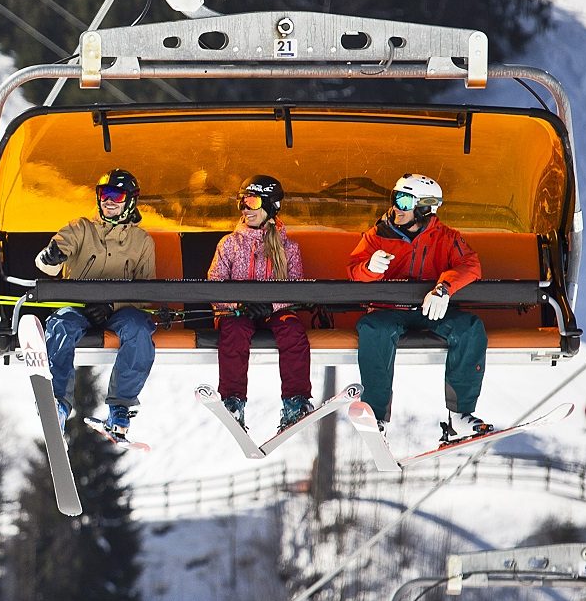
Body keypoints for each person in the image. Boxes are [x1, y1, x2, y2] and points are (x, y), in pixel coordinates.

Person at [346, 173, 494, 443]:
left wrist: (444, 288)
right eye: (395, 198)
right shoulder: (377, 235)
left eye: (404, 201)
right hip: (387, 309)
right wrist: (369, 269)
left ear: (424, 208)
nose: (396, 208)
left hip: (430, 310)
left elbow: (470, 265)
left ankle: (460, 415)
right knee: (373, 329)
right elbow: (354, 272)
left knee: (470, 328)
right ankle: (376, 415)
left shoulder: (445, 238)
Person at [34, 168, 157, 438]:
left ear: (130, 200)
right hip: (77, 306)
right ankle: (57, 404)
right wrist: (51, 258)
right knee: (62, 326)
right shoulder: (81, 228)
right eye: (104, 194)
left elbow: (145, 292)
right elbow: (49, 260)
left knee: (139, 329)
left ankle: (120, 407)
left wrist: (112, 306)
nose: (108, 200)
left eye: (116, 194)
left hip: (119, 310)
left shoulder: (141, 242)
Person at [207, 175, 312, 433]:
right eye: (242, 202)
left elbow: (296, 286)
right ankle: (233, 400)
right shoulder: (230, 244)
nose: (245, 209)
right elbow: (214, 283)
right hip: (237, 312)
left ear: (270, 206)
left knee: (293, 332)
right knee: (234, 331)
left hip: (273, 312)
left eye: (252, 202)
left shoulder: (288, 247)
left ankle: (295, 401)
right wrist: (238, 303)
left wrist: (271, 305)